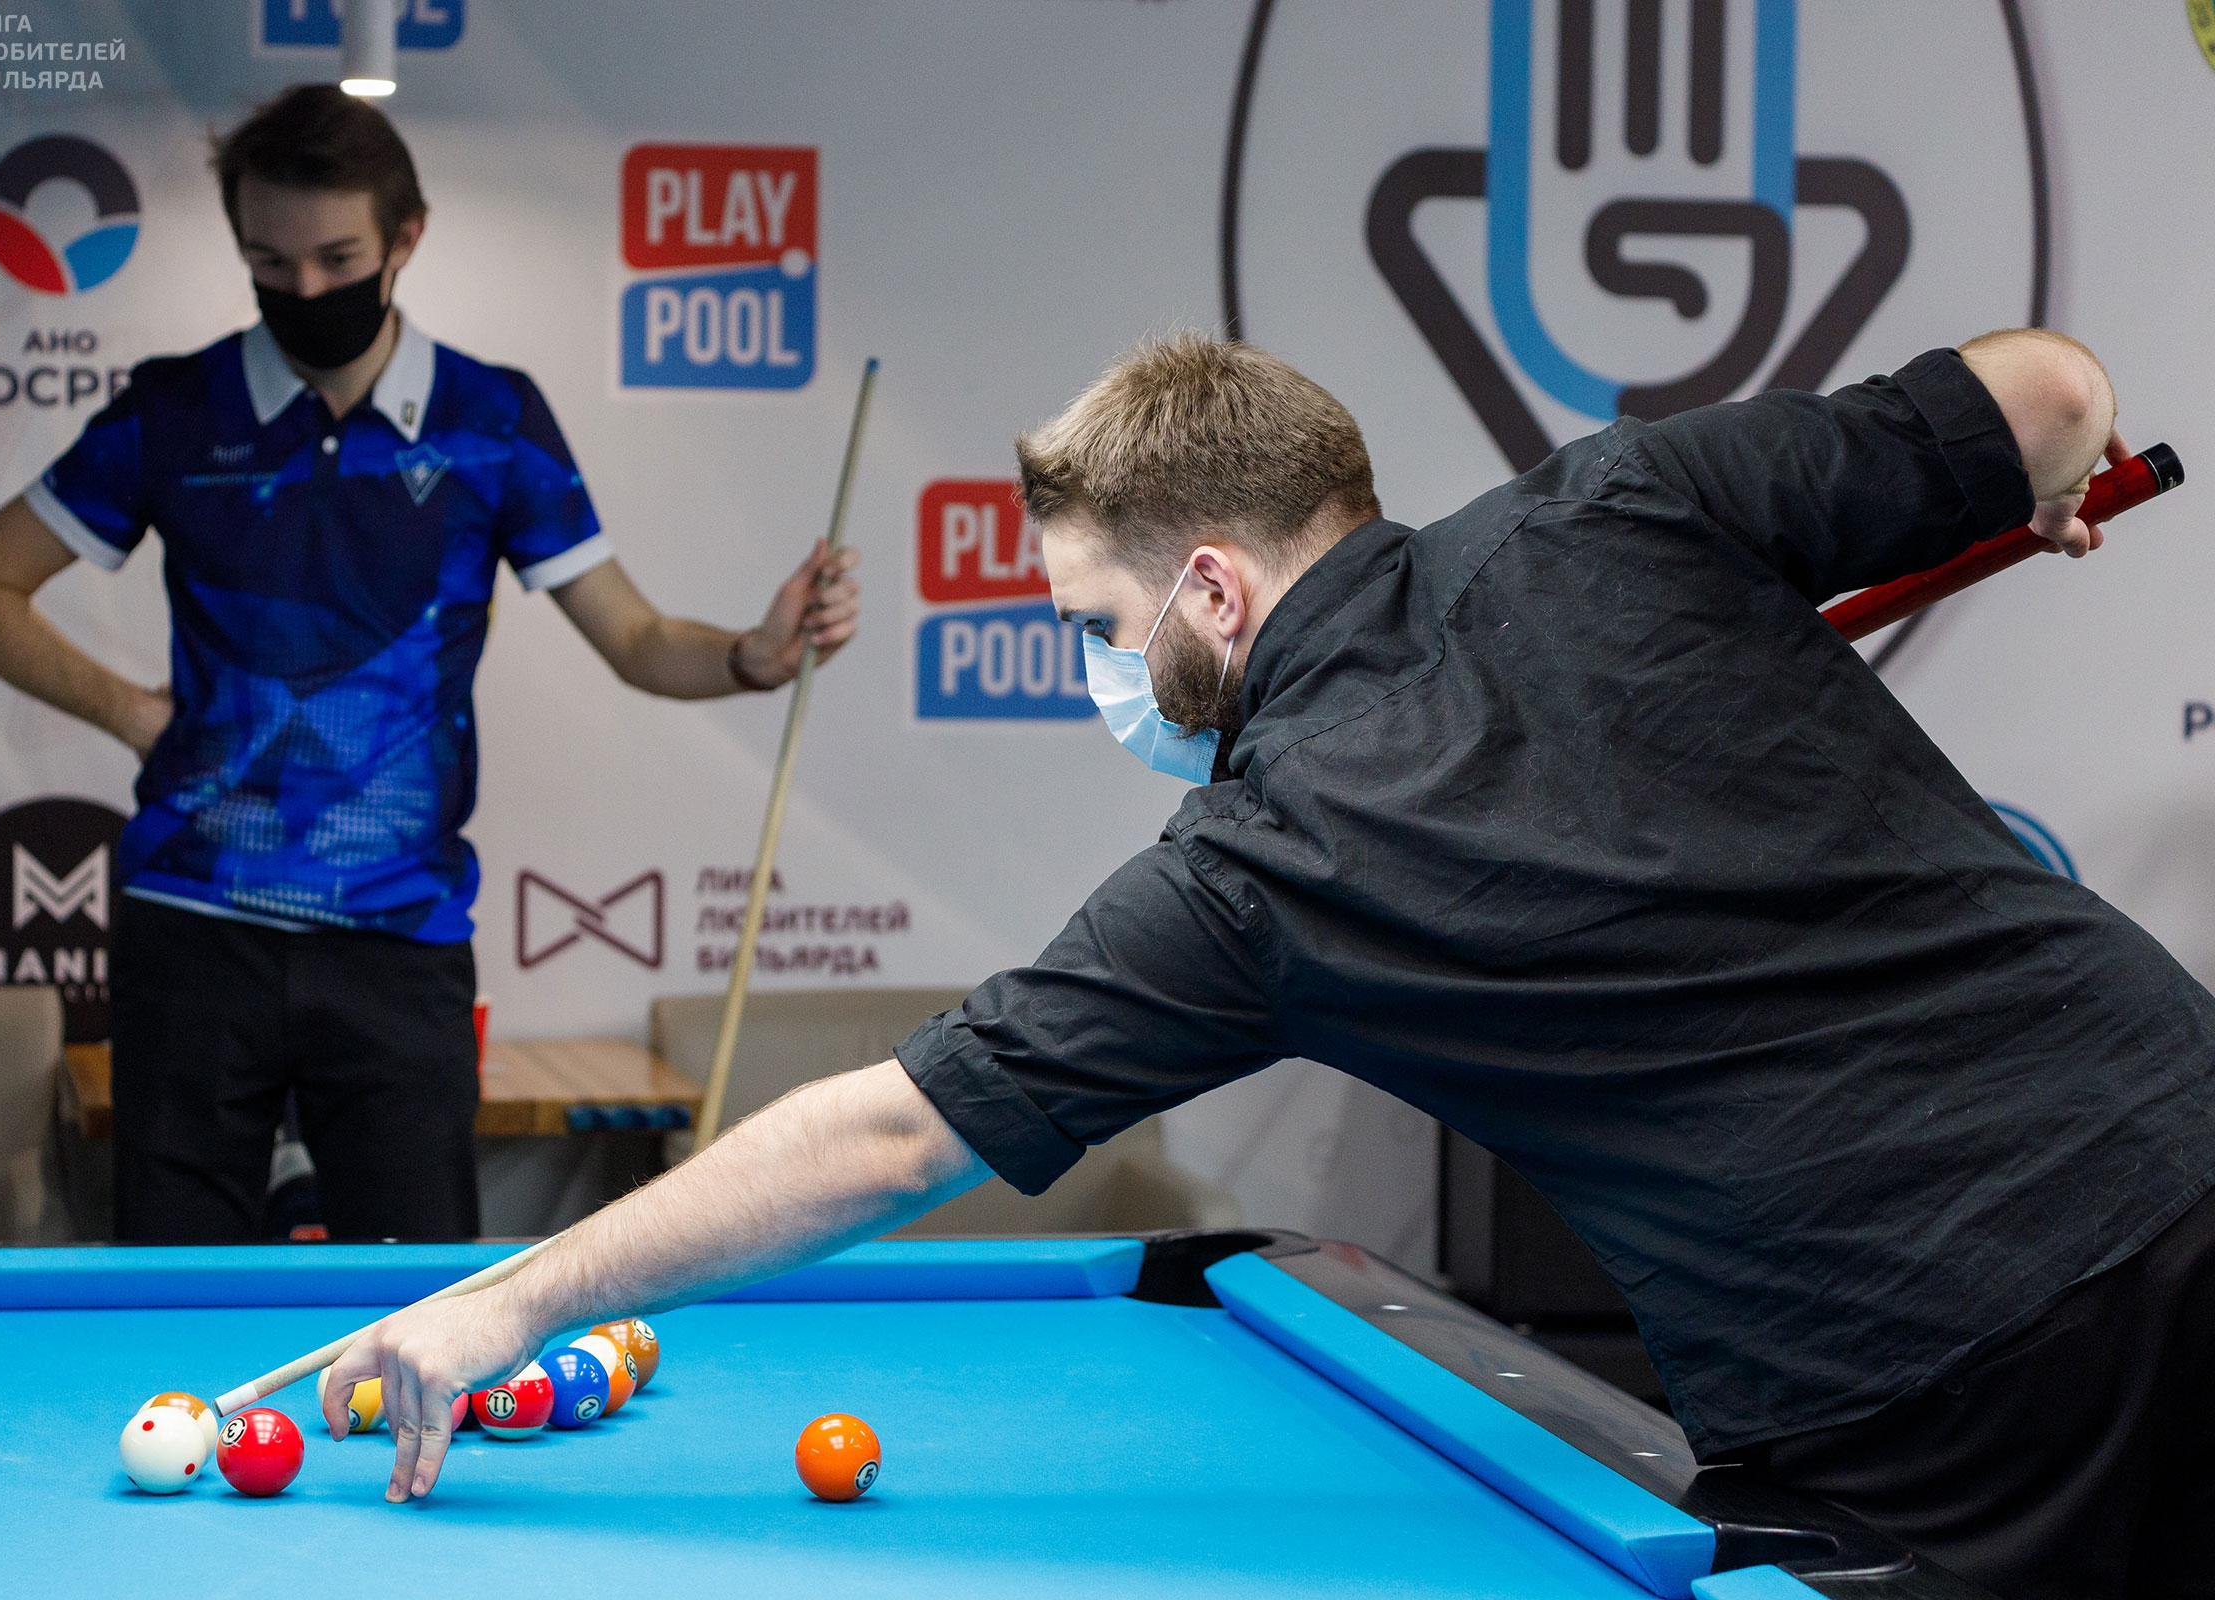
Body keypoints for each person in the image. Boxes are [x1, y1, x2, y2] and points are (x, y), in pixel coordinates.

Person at [326, 327, 2210, 1598]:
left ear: (1214, 588)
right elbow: (2048, 392)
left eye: (1097, 623)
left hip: (1934, 1384)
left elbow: (895, 1136)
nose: (1095, 672)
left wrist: (513, 1301)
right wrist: (2039, 480)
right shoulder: (1620, 500)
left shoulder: (1272, 868)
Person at [0, 86, 860, 1246]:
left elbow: (636, 638)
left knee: (422, 1300)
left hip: (398, 939)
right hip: (195, 925)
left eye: (337, 258)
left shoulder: (493, 418)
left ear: (405, 237)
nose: (305, 289)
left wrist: (754, 657)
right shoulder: (173, 408)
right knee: (174, 1295)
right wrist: (129, 711)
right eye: (270, 261)